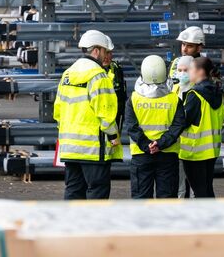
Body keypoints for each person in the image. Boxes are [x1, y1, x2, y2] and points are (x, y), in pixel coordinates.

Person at [54, 30, 119, 200]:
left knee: (73, 190)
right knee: (97, 192)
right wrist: (113, 136)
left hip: (70, 148)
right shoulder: (99, 76)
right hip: (93, 148)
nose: (106, 56)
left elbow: (58, 110)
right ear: (96, 50)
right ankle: (92, 226)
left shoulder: (67, 74)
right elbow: (106, 112)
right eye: (105, 51)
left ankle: (72, 226)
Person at [125, 55, 185, 199]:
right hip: (168, 154)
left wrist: (147, 145)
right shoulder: (174, 99)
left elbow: (131, 127)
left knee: (141, 198)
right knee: (167, 198)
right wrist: (160, 144)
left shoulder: (133, 99)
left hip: (141, 155)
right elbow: (178, 126)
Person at [178, 57, 224, 198]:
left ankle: (205, 219)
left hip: (194, 152)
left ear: (199, 72)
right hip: (211, 150)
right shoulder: (217, 91)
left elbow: (183, 121)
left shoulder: (195, 95)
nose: (188, 73)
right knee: (206, 190)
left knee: (200, 193)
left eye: (190, 69)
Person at [170, 54, 194, 198]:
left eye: (185, 70)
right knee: (178, 184)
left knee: (193, 184)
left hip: (193, 145)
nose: (182, 74)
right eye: (179, 70)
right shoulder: (174, 89)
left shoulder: (196, 91)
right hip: (177, 144)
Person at [102, 49, 126, 165]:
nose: (107, 56)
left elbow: (122, 94)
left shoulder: (116, 68)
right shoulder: (91, 71)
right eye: (104, 53)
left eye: (109, 53)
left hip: (115, 114)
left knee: (111, 148)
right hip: (100, 116)